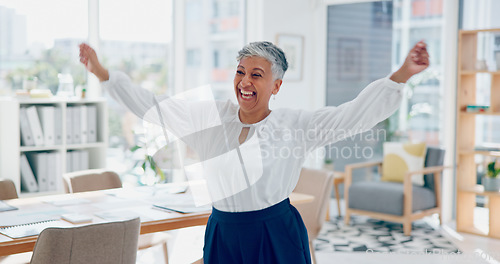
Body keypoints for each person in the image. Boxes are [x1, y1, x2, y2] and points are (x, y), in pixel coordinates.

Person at [79, 40, 429, 263]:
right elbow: (152, 106)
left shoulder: (296, 126)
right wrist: (103, 74)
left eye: (257, 75)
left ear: (276, 85)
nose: (245, 82)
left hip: (274, 232)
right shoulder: (210, 117)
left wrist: (402, 75)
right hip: (223, 232)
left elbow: (352, 115)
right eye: (240, 72)